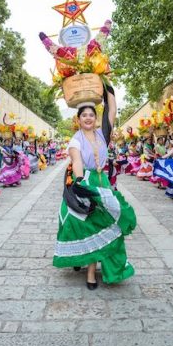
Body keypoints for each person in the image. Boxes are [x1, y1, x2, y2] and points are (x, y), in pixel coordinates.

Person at [53, 92, 136, 290]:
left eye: (91, 114)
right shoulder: (75, 140)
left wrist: (108, 87)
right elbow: (77, 161)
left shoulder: (103, 134)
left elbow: (113, 110)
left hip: (103, 181)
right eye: (84, 115)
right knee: (84, 223)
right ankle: (89, 270)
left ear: (95, 118)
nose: (88, 118)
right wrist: (81, 183)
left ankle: (99, 266)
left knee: (106, 223)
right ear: (78, 119)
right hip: (87, 182)